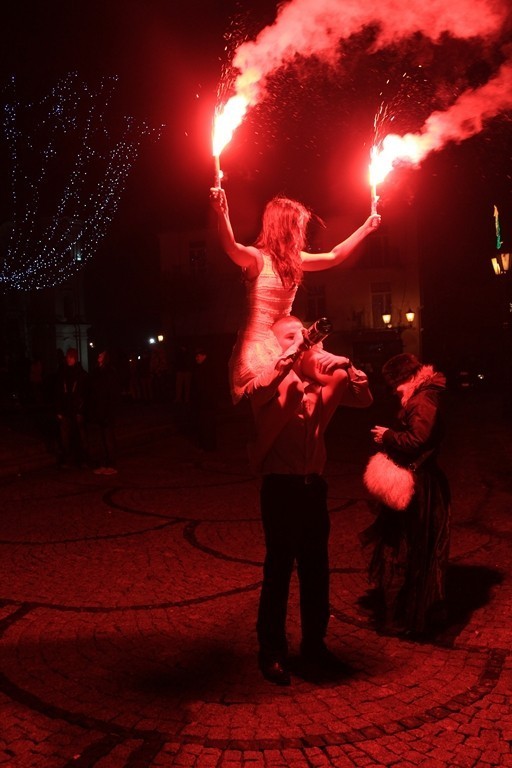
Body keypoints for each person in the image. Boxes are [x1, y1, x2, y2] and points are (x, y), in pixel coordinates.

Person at [247, 315, 373, 685]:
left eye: (302, 334)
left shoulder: (323, 381)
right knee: (278, 573)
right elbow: (257, 394)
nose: (301, 339)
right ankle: (271, 650)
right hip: (280, 489)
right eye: (290, 336)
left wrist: (346, 364)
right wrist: (291, 354)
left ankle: (314, 645)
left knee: (316, 572)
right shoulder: (271, 382)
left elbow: (365, 398)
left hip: (313, 487)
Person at [209, 187, 380, 404]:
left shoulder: (295, 260)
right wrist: (221, 212)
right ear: (283, 227)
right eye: (297, 224)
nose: (301, 230)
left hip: (288, 339)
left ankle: (314, 435)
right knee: (294, 388)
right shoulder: (256, 258)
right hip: (259, 343)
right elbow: (232, 248)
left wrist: (365, 228)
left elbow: (334, 256)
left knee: (337, 377)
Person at [361, 353, 451, 638]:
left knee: (408, 549)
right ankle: (404, 613)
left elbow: (418, 440)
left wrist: (388, 436)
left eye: (395, 384)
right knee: (406, 549)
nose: (394, 390)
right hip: (418, 482)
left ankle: (405, 617)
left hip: (420, 487)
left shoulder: (424, 399)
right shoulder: (422, 395)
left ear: (409, 379)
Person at [54, 347, 89, 467]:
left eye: (70, 357)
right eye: (67, 357)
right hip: (65, 410)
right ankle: (68, 457)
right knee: (65, 436)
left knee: (80, 435)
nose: (68, 359)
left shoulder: (81, 375)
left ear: (74, 358)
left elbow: (85, 394)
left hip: (77, 410)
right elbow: (58, 393)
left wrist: (80, 409)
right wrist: (59, 410)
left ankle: (83, 458)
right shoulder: (63, 373)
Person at [89, 350, 122, 475]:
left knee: (108, 438)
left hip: (107, 410)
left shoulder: (110, 372)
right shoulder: (97, 371)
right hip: (99, 409)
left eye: (101, 355)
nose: (98, 356)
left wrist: (110, 411)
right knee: (101, 439)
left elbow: (112, 394)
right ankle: (103, 463)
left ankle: (111, 463)